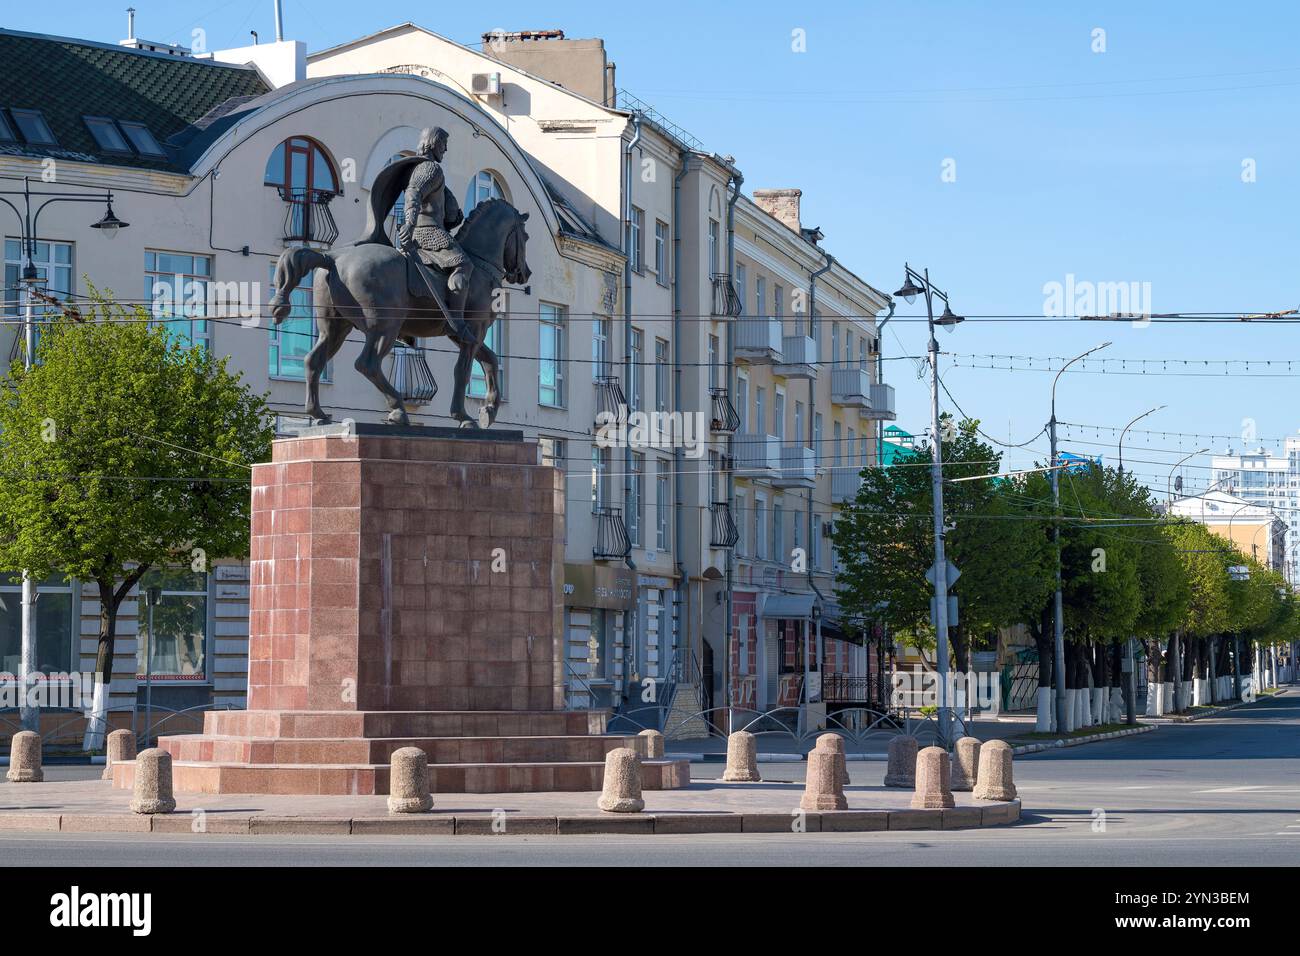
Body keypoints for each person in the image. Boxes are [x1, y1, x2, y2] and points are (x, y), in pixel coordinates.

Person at [396, 126, 474, 341]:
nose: (445, 150)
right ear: (434, 143)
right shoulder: (430, 168)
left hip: (427, 229)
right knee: (464, 264)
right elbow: (414, 193)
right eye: (444, 145)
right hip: (427, 232)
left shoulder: (421, 167)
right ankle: (457, 323)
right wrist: (410, 224)